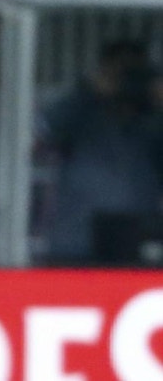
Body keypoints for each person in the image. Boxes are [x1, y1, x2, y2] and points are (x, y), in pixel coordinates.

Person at [35, 40, 162, 265]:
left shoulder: (152, 122)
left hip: (135, 240)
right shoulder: (81, 109)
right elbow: (44, 132)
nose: (127, 82)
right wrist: (88, 92)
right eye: (121, 73)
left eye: (135, 74)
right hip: (76, 239)